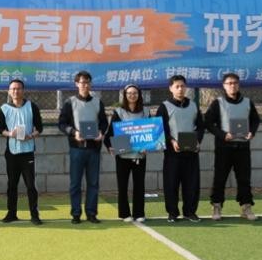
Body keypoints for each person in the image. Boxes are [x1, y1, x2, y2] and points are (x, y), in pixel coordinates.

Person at [204, 72, 260, 221]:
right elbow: (208, 122)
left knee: (244, 179)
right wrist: (223, 135)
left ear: (238, 85)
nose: (232, 86)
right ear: (224, 86)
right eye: (229, 83)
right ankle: (216, 206)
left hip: (243, 148)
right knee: (220, 178)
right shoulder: (218, 103)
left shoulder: (247, 102)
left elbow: (255, 119)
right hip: (224, 148)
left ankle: (246, 206)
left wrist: (252, 132)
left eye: (235, 83)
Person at [58, 71, 108, 224]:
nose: (85, 85)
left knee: (93, 183)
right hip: (77, 149)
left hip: (94, 148)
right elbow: (62, 123)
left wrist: (101, 133)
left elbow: (104, 122)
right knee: (75, 183)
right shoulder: (70, 102)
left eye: (87, 82)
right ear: (77, 84)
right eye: (82, 82)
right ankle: (76, 213)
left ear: (90, 84)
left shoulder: (97, 102)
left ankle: (91, 213)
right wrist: (74, 132)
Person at [156, 74, 205, 223]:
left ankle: (190, 212)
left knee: (192, 184)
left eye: (182, 86)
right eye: (177, 86)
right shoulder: (164, 106)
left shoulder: (193, 105)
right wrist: (171, 141)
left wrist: (198, 141)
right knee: (171, 183)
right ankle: (172, 213)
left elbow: (200, 126)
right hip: (173, 153)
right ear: (170, 88)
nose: (180, 89)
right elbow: (160, 128)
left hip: (191, 151)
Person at [0, 78, 44, 225]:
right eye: (13, 89)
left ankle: (34, 214)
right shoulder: (4, 108)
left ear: (23, 91)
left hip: (27, 152)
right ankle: (11, 213)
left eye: (18, 88)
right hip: (11, 153)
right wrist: (10, 134)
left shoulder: (32, 107)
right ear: (9, 91)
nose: (16, 91)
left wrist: (31, 135)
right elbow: (0, 129)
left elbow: (40, 128)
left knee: (31, 185)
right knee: (12, 185)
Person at [104, 84, 148, 223]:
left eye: (135, 93)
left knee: (139, 185)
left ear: (139, 95)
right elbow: (111, 133)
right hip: (123, 155)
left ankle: (139, 213)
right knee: (122, 186)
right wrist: (110, 146)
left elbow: (151, 132)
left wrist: (148, 146)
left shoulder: (146, 111)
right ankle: (124, 214)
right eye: (129, 93)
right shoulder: (119, 112)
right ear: (125, 95)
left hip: (140, 155)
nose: (132, 95)